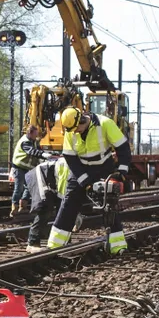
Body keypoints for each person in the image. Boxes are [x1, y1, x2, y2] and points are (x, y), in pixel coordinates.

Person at [47, 107, 132, 254]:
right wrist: (84, 181)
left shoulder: (105, 124)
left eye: (76, 129)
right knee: (69, 202)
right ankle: (55, 246)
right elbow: (70, 157)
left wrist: (122, 171)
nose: (75, 133)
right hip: (80, 168)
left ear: (82, 120)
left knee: (109, 205)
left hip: (103, 168)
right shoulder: (70, 130)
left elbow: (123, 148)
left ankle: (118, 246)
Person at [24, 157, 70, 253]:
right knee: (45, 209)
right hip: (40, 175)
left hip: (51, 180)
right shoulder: (69, 169)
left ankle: (65, 241)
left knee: (64, 210)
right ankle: (32, 243)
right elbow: (63, 194)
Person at [10, 125, 54, 216]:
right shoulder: (25, 142)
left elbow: (37, 150)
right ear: (30, 133)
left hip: (27, 168)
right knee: (18, 188)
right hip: (19, 167)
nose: (37, 135)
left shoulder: (33, 141)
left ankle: (23, 207)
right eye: (35, 134)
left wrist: (47, 155)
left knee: (29, 187)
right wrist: (44, 155)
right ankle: (14, 208)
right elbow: (32, 152)